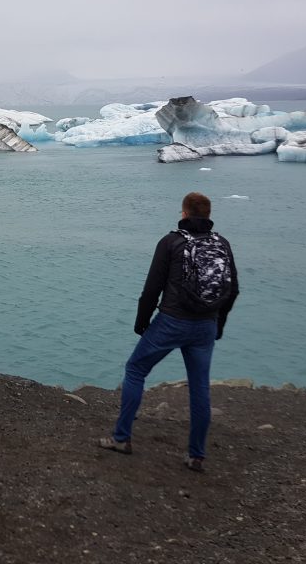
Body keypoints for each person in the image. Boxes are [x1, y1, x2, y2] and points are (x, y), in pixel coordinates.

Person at [98, 191, 239, 472]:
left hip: (172, 321)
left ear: (184, 213)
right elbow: (232, 289)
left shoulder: (171, 242)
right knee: (199, 387)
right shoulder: (221, 243)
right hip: (205, 327)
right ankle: (196, 455)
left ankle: (121, 438)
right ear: (209, 215)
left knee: (135, 370)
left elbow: (152, 288)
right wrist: (218, 325)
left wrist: (142, 321)